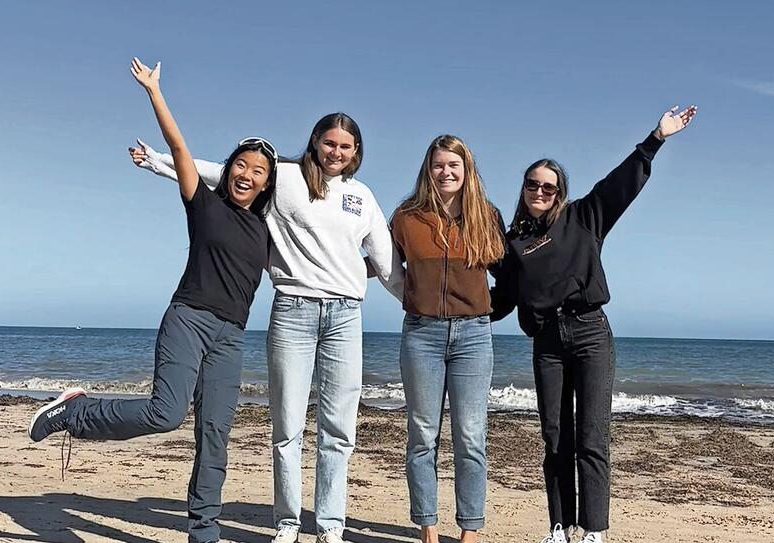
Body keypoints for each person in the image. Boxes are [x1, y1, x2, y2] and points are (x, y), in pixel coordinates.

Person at [28, 58, 277, 543]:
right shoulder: (203, 203)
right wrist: (154, 92)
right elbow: (179, 146)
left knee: (214, 438)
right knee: (166, 413)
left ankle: (203, 532)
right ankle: (75, 412)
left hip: (231, 336)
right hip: (189, 319)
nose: (247, 174)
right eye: (241, 165)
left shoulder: (267, 231)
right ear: (228, 171)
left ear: (267, 183)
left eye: (259, 171)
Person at [130, 114, 403, 543]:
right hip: (293, 309)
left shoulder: (362, 197)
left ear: (356, 153)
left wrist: (415, 304)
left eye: (345, 147)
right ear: (315, 142)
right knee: (287, 426)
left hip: (346, 316)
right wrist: (157, 162)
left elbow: (385, 262)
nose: (336, 152)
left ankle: (330, 526)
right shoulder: (286, 178)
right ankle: (288, 523)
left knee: (338, 429)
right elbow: (221, 174)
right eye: (329, 143)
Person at [491, 105, 697, 543]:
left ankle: (593, 531)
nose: (540, 191)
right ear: (524, 188)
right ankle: (559, 527)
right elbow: (503, 299)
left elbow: (621, 184)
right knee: (555, 439)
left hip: (589, 335)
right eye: (533, 184)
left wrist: (656, 138)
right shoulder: (514, 242)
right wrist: (454, 310)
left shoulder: (584, 217)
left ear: (560, 191)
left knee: (592, 436)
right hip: (547, 342)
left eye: (549, 185)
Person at [390, 135, 504, 543]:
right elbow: (380, 263)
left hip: (474, 336)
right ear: (428, 169)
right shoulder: (407, 217)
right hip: (421, 334)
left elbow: (507, 276)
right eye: (439, 165)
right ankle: (428, 527)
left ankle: (469, 530)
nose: (446, 172)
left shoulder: (486, 216)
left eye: (454, 165)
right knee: (423, 433)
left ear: (466, 170)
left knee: (471, 435)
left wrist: (488, 311)